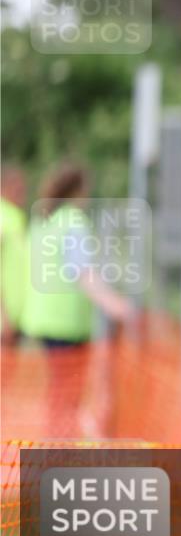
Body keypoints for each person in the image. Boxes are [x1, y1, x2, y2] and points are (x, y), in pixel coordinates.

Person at [20, 164, 134, 437]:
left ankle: (55, 444)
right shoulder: (74, 222)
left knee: (58, 392)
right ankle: (59, 450)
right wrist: (115, 304)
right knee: (67, 393)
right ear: (79, 189)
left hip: (41, 318)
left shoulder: (44, 221)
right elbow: (83, 272)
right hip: (66, 324)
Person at [1, 166, 28, 347]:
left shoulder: (16, 216)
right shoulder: (2, 216)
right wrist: (3, 315)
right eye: (18, 189)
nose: (23, 194)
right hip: (5, 319)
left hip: (17, 317)